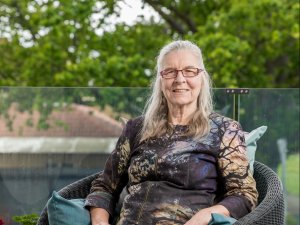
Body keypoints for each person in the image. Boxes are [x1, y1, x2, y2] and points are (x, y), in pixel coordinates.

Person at [84, 40, 258, 225]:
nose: (180, 79)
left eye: (189, 71)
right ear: (160, 80)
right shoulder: (136, 129)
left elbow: (244, 195)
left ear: (202, 78)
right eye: (170, 72)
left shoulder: (224, 130)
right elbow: (104, 187)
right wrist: (100, 223)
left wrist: (205, 216)